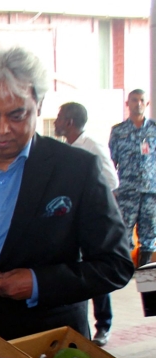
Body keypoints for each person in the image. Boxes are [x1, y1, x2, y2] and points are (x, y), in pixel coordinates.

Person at [0, 47, 134, 340]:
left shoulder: (77, 169)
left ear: (39, 105)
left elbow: (115, 264)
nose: (3, 129)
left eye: (17, 115)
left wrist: (38, 283)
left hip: (48, 342)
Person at [54, 101, 119, 345]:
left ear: (69, 121)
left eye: (59, 117)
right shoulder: (65, 148)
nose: (57, 121)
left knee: (96, 272)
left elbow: (112, 181)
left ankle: (103, 325)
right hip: (67, 220)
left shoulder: (91, 146)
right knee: (75, 272)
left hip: (89, 221)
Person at [109, 89, 156, 267]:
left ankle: (147, 282)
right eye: (134, 100)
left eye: (142, 100)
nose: (138, 103)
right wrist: (112, 189)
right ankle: (123, 274)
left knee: (149, 236)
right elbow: (111, 162)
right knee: (122, 234)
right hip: (127, 191)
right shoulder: (118, 131)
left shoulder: (153, 130)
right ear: (127, 103)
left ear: (147, 103)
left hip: (151, 191)